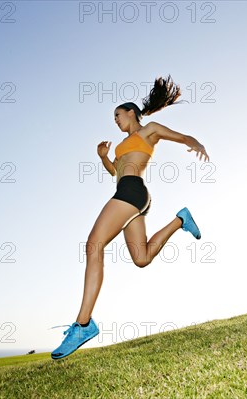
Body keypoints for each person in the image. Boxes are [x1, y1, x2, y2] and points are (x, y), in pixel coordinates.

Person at [51, 75, 210, 359]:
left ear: (132, 112)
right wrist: (103, 158)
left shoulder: (149, 130)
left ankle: (83, 324)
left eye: (118, 115)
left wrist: (197, 144)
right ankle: (180, 220)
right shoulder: (123, 145)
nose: (115, 120)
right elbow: (117, 172)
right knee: (142, 258)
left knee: (93, 245)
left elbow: (182, 136)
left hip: (133, 191)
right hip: (130, 193)